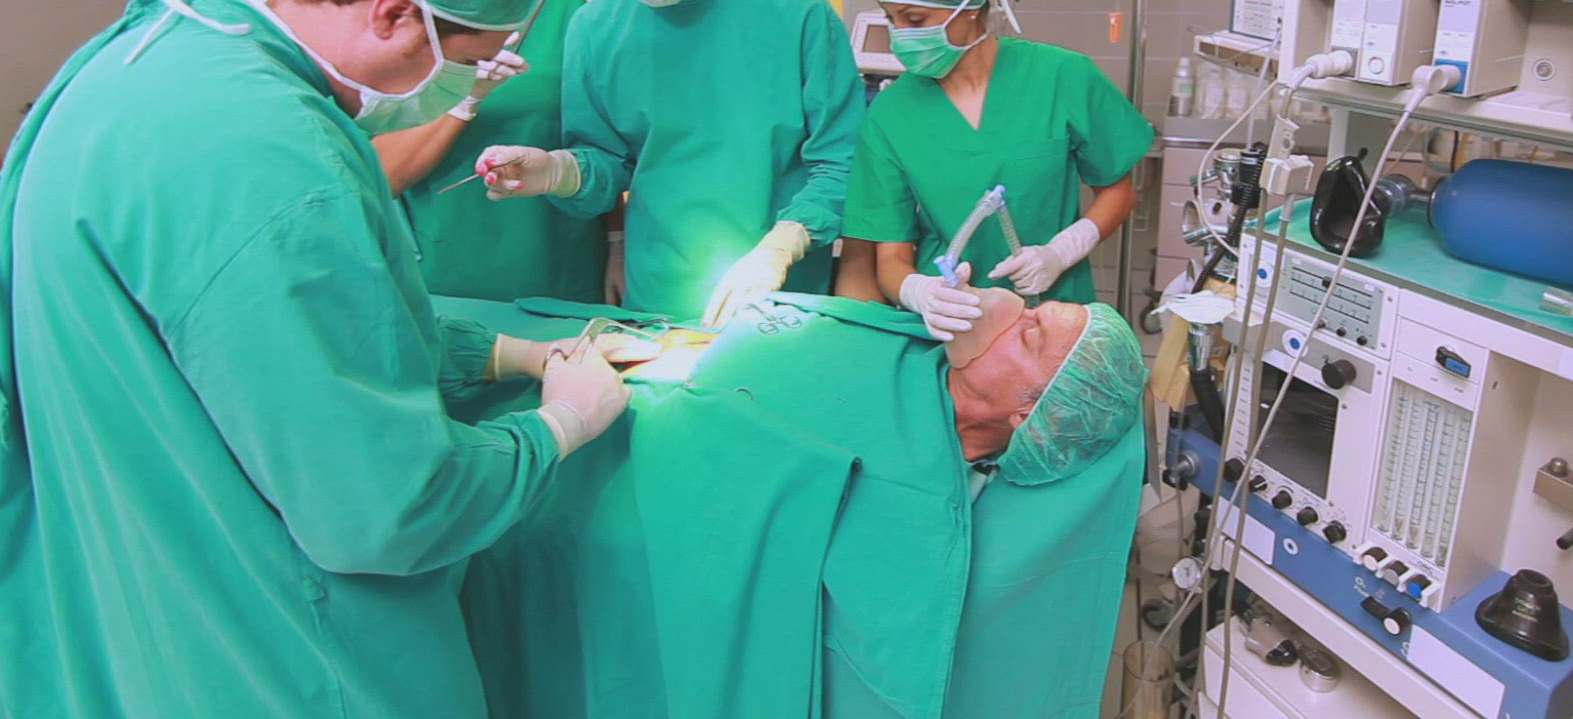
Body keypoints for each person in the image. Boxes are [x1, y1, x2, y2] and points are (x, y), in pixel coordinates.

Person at [0, 0, 630, 717]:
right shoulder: (275, 157)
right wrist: (555, 429)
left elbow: (244, 334)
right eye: (464, 61)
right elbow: (387, 507)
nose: (465, 83)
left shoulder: (152, 54)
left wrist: (503, 352)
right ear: (393, 14)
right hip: (273, 647)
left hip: (121, 588)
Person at [444, 287, 1148, 717]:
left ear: (1032, 411)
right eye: (1030, 309)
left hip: (587, 474)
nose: (1007, 311)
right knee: (426, 350)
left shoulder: (925, 494)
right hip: (597, 369)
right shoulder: (905, 348)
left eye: (1030, 332)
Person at [477, 0, 865, 327]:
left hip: (780, 293)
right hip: (659, 287)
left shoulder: (795, 11)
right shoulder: (597, 25)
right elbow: (607, 160)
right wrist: (557, 171)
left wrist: (784, 243)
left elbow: (841, 159)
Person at [326, 0, 609, 303]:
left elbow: (603, 141)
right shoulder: (375, 21)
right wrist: (461, 98)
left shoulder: (555, 4)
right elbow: (376, 176)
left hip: (564, 264)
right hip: (442, 277)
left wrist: (618, 240)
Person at [845, 0, 1156, 339]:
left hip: (1051, 320)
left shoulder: (1061, 76)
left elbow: (1119, 192)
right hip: (953, 328)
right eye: (890, 18)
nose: (900, 34)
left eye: (914, 19)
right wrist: (920, 292)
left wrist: (1060, 252)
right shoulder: (890, 113)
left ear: (971, 6)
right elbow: (890, 258)